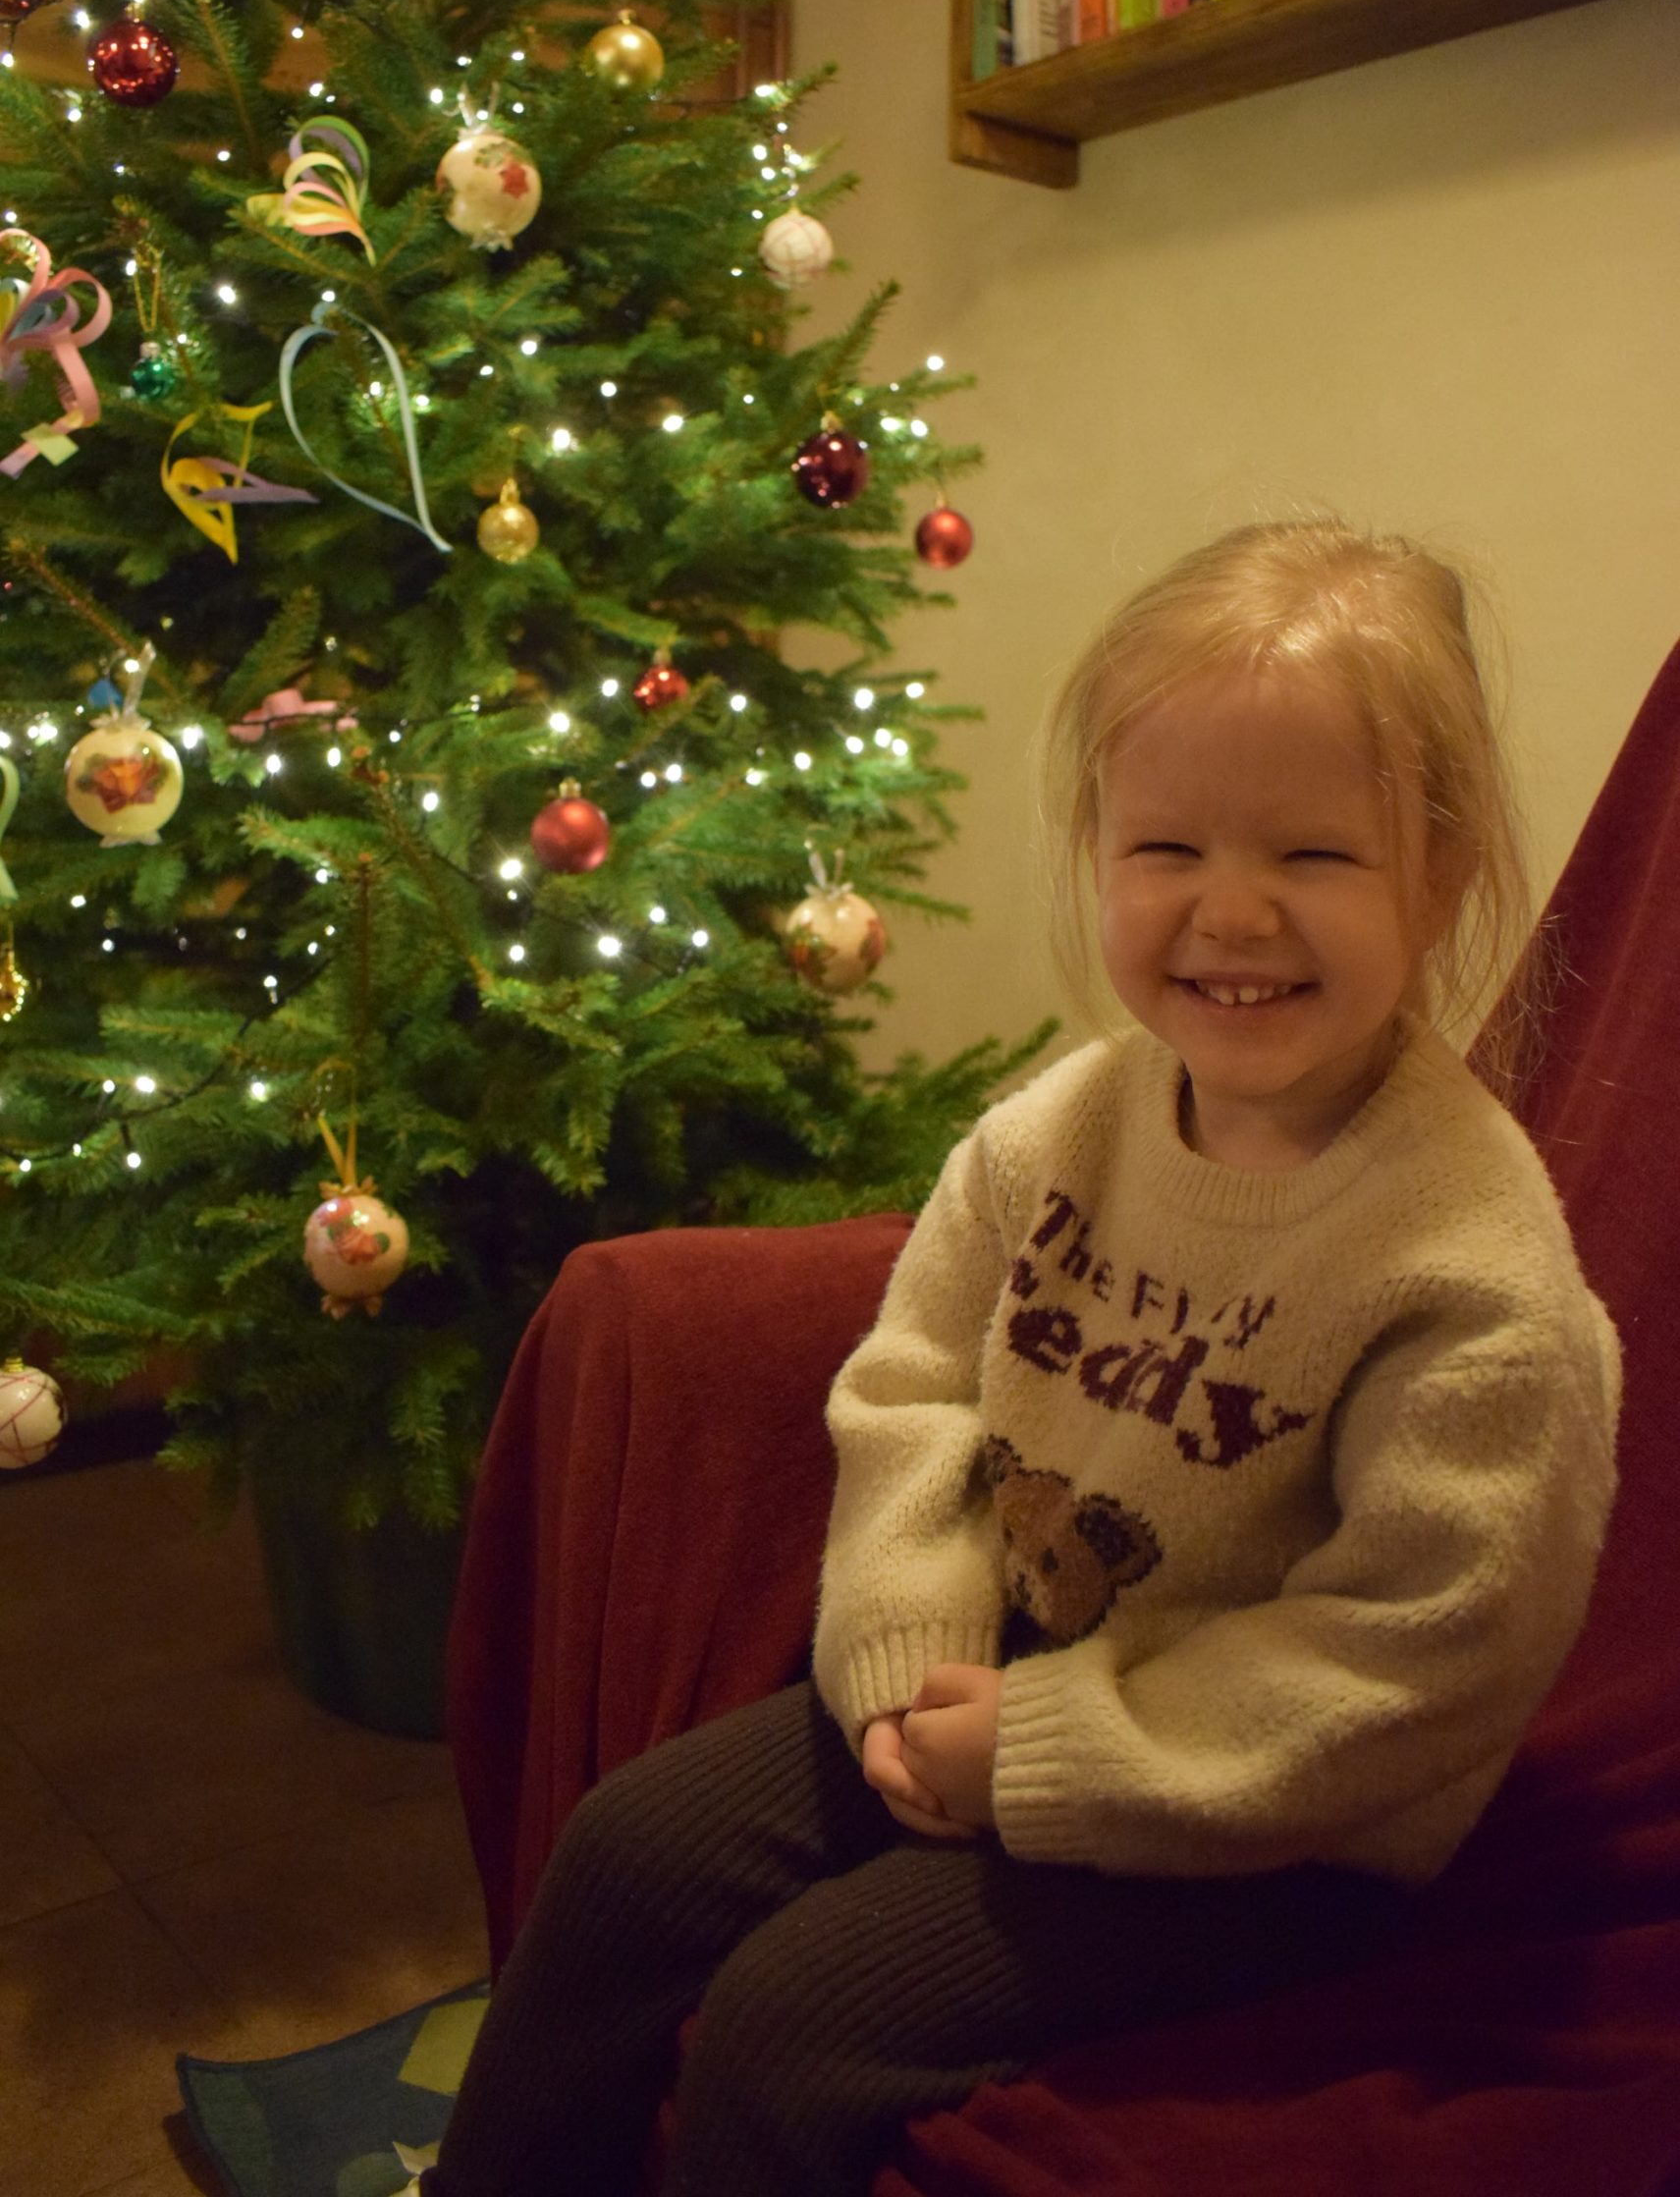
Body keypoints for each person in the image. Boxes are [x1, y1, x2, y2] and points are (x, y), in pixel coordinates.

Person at [422, 517, 1621, 2197]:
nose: (1232, 911)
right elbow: (912, 1387)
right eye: (1168, 846)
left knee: (794, 2017)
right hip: (993, 1672)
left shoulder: (1470, 1270)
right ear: (1098, 848)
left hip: (1277, 1819)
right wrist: (906, 1653)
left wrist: (1052, 1755)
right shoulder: (1061, 1127)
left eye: (1314, 854)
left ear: (1439, 873)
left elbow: (1417, 1658)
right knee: (627, 1855)